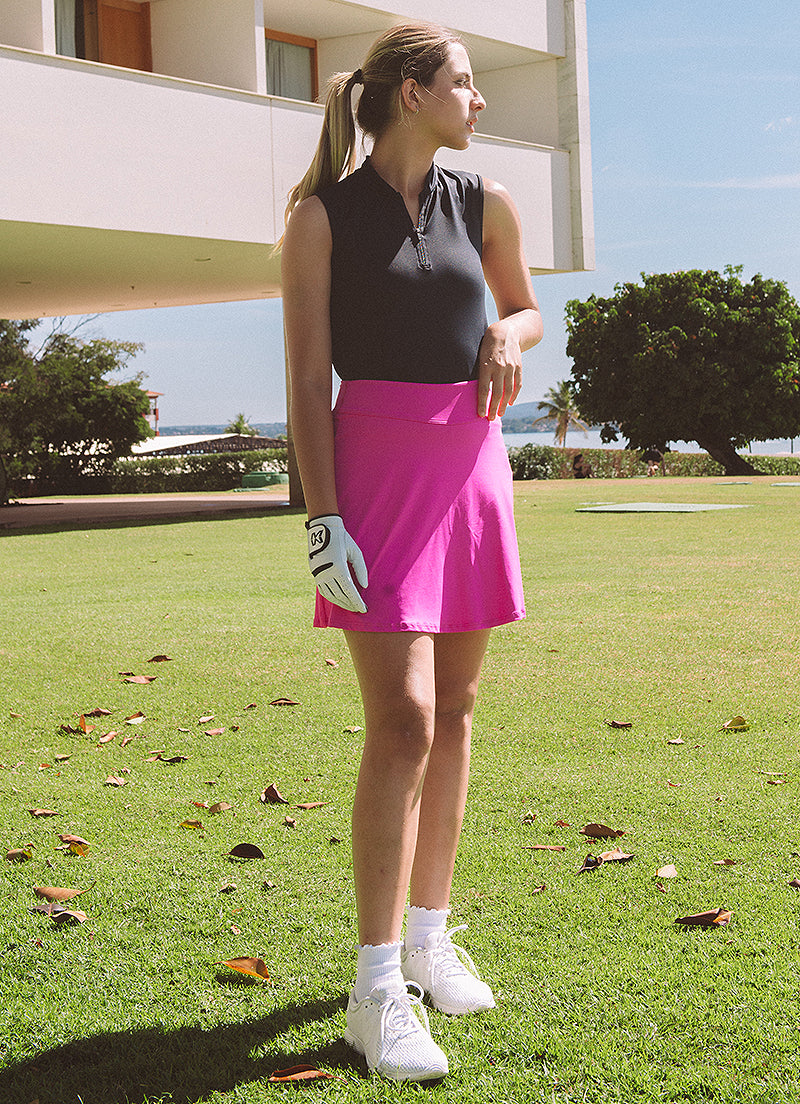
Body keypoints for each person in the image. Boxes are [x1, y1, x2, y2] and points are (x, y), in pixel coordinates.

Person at [281, 21, 542, 1082]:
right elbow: (307, 382)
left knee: (458, 712)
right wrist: (321, 517)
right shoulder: (320, 217)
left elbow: (527, 309)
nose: (478, 101)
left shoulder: (485, 202)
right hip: (374, 478)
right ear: (410, 93)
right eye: (464, 83)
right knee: (403, 722)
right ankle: (375, 987)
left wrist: (506, 335)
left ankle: (431, 941)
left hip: (470, 467)